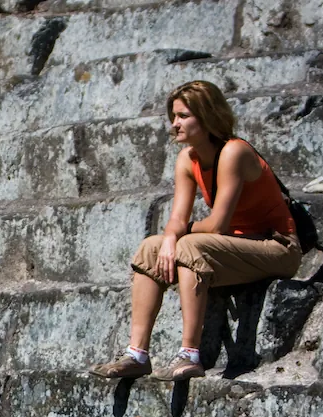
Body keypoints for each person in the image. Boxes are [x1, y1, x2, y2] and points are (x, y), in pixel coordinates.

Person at [90, 80, 301, 381]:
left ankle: (189, 355)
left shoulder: (234, 152)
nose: (174, 125)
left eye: (183, 116)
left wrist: (180, 236)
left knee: (190, 247)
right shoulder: (187, 160)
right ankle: (136, 354)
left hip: (277, 249)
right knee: (151, 247)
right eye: (173, 117)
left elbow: (217, 225)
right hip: (236, 248)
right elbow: (178, 218)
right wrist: (170, 238)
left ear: (208, 116)